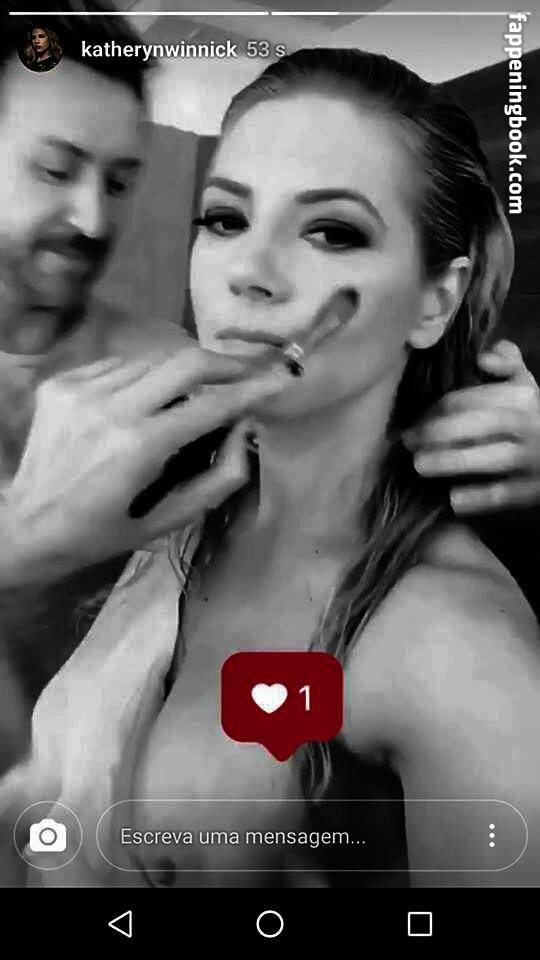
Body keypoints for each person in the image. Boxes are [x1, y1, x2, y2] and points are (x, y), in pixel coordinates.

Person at [2, 47, 539, 890]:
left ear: (435, 299)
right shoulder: (169, 507)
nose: (248, 273)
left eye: (332, 231)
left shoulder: (458, 649)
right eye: (225, 219)